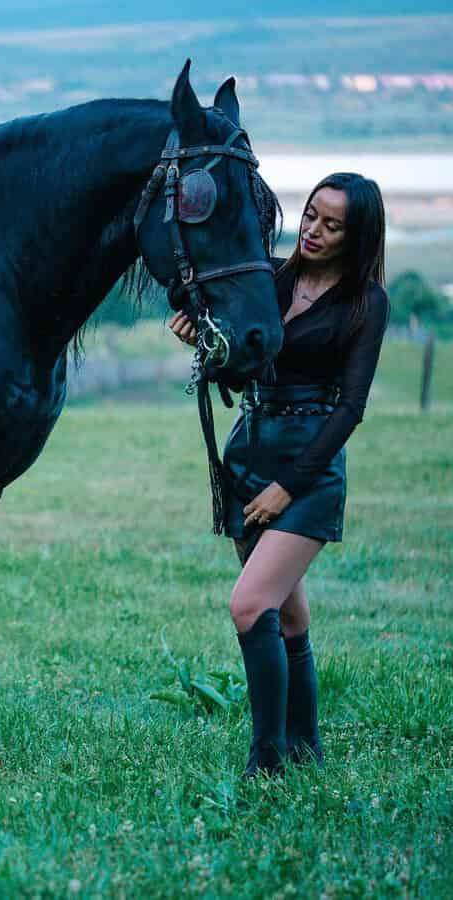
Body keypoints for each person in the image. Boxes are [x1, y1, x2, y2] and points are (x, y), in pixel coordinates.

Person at [168, 172, 390, 776]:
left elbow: (351, 409)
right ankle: (306, 745)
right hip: (248, 457)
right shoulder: (270, 278)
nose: (314, 230)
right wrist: (204, 344)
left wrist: (290, 485)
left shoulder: (366, 304)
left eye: (333, 224)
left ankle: (266, 760)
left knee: (249, 606)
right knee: (288, 616)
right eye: (312, 215)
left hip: (307, 474)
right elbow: (236, 370)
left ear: (358, 234)